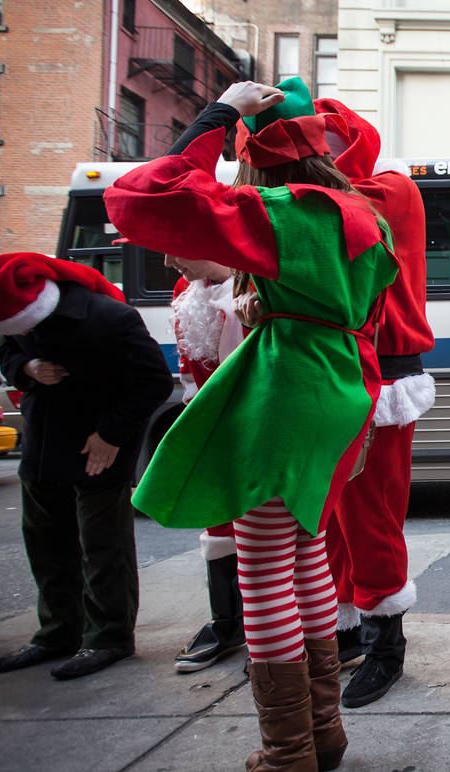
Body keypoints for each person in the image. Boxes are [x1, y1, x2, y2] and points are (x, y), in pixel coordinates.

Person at [104, 79, 399, 771]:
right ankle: (322, 735)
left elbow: (149, 190)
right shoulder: (362, 214)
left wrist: (222, 111)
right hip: (341, 391)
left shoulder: (280, 211)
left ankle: (288, 750)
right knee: (308, 563)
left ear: (258, 161)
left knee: (264, 571)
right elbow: (365, 316)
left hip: (288, 392)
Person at [0, 253, 171, 680]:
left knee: (102, 546)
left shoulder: (109, 318)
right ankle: (57, 632)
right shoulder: (16, 319)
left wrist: (110, 435)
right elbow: (6, 353)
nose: (26, 333)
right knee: (46, 543)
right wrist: (26, 368)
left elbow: (153, 382)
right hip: (42, 442)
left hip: (96, 444)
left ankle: (109, 636)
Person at [313, 94, 436, 709]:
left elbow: (332, 211)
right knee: (333, 516)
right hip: (336, 373)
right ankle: (347, 632)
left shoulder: (391, 190)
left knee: (370, 516)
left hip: (383, 379)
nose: (313, 161)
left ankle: (387, 644)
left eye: (322, 149)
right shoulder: (324, 195)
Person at [166, 257, 249, 673]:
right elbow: (189, 365)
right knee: (218, 523)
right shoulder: (186, 293)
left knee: (273, 529)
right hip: (211, 423)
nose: (168, 261)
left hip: (258, 424)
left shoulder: (257, 284)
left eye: (176, 248)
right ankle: (227, 621)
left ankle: (275, 631)